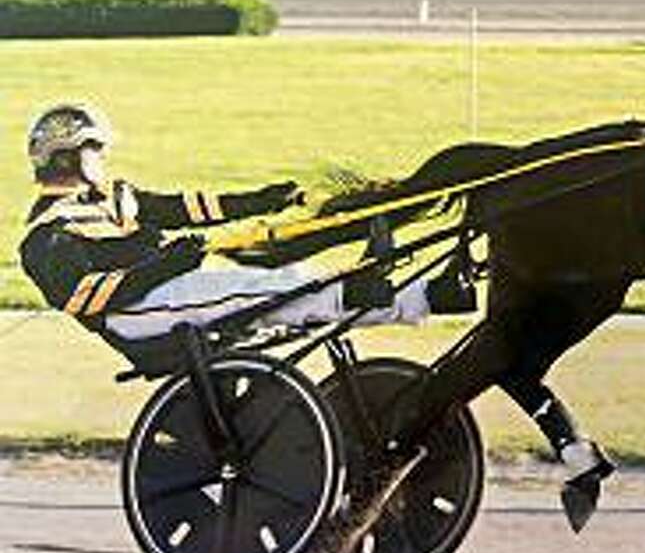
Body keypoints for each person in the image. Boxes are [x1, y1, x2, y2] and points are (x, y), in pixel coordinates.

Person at [18, 102, 472, 372]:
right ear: (65, 158)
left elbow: (190, 208)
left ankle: (421, 297)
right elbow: (84, 298)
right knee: (273, 289)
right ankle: (419, 299)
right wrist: (168, 263)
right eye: (94, 148)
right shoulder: (45, 235)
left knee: (290, 280)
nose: (103, 156)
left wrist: (264, 200)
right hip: (135, 317)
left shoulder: (117, 197)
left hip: (168, 292)